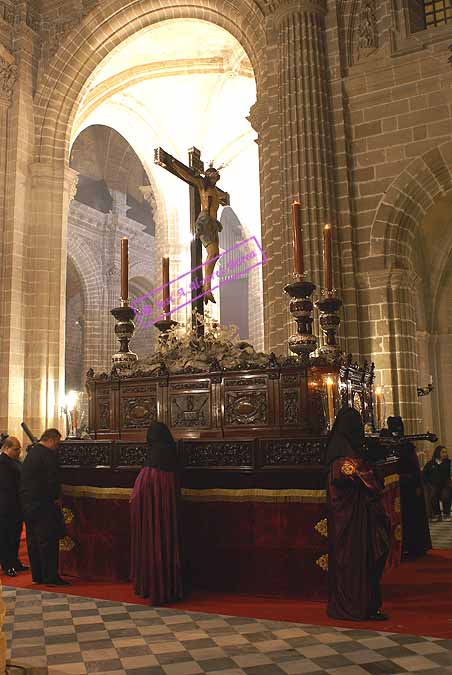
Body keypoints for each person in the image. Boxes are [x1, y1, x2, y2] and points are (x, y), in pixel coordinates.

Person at [326, 406, 391, 621]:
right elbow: (361, 478)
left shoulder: (348, 451)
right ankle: (353, 607)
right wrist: (372, 469)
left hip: (359, 519)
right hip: (350, 524)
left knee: (365, 562)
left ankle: (368, 605)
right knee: (353, 564)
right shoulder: (340, 455)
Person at [130, 422, 183, 604]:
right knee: (164, 542)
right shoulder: (170, 451)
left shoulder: (153, 456)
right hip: (165, 511)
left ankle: (150, 587)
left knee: (151, 543)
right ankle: (167, 588)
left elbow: (140, 491)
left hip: (148, 512)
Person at [20, 428, 68, 585]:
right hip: (44, 504)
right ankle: (51, 577)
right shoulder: (48, 455)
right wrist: (56, 497)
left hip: (28, 504)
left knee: (33, 541)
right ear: (52, 440)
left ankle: (38, 576)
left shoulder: (32, 453)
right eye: (58, 443)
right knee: (48, 540)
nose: (58, 447)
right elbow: (52, 480)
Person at [0, 437, 29, 576]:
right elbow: (7, 487)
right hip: (6, 506)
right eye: (16, 449)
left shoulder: (15, 461)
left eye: (19, 449)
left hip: (17, 505)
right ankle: (7, 565)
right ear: (6, 448)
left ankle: (15, 561)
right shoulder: (2, 463)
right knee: (6, 536)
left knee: (15, 535)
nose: (19, 452)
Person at [423, 446, 452, 522]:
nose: (445, 454)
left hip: (445, 485)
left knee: (446, 495)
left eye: (446, 452)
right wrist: (428, 483)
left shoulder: (449, 462)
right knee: (433, 495)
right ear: (437, 452)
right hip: (433, 485)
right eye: (443, 452)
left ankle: (446, 513)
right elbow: (425, 475)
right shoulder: (430, 463)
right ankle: (437, 514)